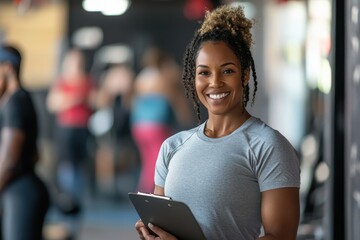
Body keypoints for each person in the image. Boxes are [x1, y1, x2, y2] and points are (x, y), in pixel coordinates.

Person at [135, 5, 300, 240]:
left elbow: (281, 237)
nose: (215, 83)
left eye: (227, 71)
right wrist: (151, 233)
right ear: (193, 78)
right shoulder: (172, 147)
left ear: (244, 75)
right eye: (204, 73)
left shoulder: (269, 146)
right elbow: (164, 227)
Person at [0, 44, 50, 239]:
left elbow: (9, 161)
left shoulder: (16, 103)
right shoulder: (15, 101)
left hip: (22, 194)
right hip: (19, 191)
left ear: (7, 68)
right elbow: (36, 154)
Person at [46, 48, 96, 236]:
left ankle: (75, 214)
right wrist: (74, 99)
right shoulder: (62, 81)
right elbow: (53, 103)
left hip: (83, 130)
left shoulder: (87, 81)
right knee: (67, 172)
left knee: (79, 172)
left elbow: (95, 101)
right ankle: (66, 212)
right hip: (66, 131)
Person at [130, 47, 193, 193]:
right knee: (159, 160)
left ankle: (144, 190)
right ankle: (153, 192)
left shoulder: (141, 77)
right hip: (157, 124)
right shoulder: (162, 78)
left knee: (148, 161)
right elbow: (175, 97)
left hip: (139, 125)